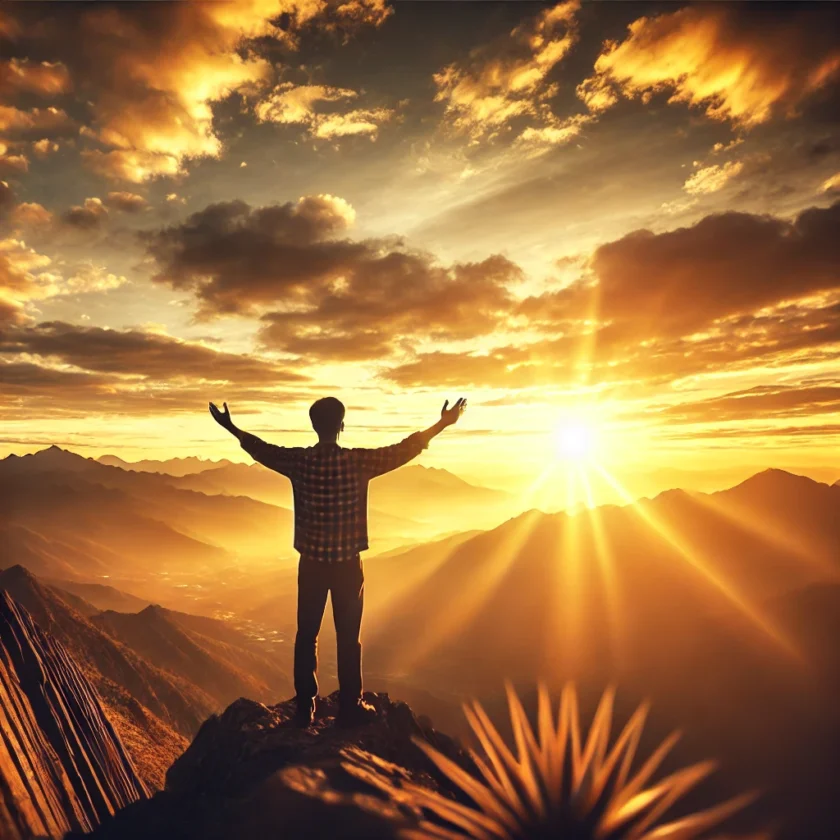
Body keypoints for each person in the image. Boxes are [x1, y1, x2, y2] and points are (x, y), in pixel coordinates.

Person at [209, 396, 467, 727]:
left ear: (314, 427)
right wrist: (443, 424)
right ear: (342, 426)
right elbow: (406, 448)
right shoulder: (359, 463)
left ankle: (305, 709)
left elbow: (261, 448)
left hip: (312, 564)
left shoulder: (299, 462)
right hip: (347, 565)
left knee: (307, 635)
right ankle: (350, 706)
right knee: (349, 636)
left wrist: (230, 426)